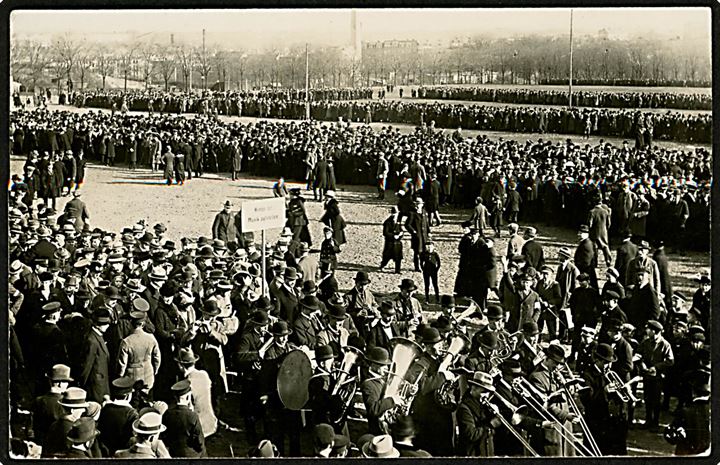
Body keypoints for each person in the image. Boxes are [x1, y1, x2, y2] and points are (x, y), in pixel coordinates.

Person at [579, 343, 630, 455]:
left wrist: (625, 390)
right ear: (596, 360)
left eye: (610, 363)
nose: (609, 366)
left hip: (614, 422)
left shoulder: (612, 373)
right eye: (606, 363)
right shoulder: (587, 375)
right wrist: (604, 391)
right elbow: (587, 399)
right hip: (597, 422)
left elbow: (621, 400)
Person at [635, 320, 674, 431]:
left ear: (655, 331)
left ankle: (655, 422)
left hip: (658, 377)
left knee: (656, 400)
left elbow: (670, 361)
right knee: (647, 398)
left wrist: (656, 367)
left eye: (649, 329)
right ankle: (648, 420)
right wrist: (642, 365)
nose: (647, 331)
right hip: (647, 376)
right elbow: (639, 354)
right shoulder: (645, 342)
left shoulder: (665, 344)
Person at [457, 371, 501, 457]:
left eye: (489, 392)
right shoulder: (464, 407)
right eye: (484, 391)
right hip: (471, 455)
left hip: (486, 452)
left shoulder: (483, 405)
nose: (487, 395)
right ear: (474, 388)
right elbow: (471, 435)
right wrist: (491, 424)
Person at [162, 379, 206, 457]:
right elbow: (199, 442)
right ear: (187, 397)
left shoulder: (167, 414)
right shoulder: (192, 416)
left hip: (174, 453)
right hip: (191, 455)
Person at [97, 376, 139, 455]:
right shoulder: (131, 413)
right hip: (123, 453)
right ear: (127, 396)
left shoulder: (104, 409)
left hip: (105, 452)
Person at [405, 197, 431, 272]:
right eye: (416, 204)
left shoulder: (424, 212)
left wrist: (429, 232)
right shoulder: (412, 213)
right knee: (417, 252)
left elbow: (426, 224)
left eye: (419, 204)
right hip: (417, 236)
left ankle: (423, 265)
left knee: (424, 252)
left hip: (424, 236)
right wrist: (413, 231)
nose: (418, 206)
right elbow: (407, 225)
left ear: (422, 205)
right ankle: (417, 267)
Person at [379, 207, 403, 274]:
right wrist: (393, 236)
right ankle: (382, 265)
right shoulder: (387, 222)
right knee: (387, 256)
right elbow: (385, 233)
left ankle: (397, 270)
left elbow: (400, 229)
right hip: (390, 242)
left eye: (396, 213)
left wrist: (401, 234)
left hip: (397, 242)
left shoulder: (398, 221)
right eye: (394, 213)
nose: (395, 215)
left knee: (398, 257)